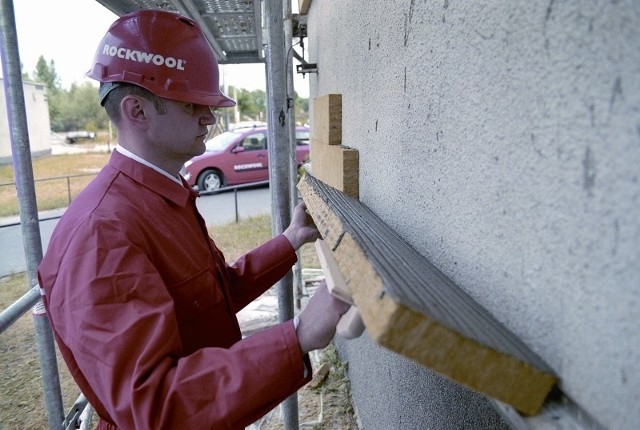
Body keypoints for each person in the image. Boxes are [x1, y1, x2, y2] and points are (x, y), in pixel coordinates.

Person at [37, 9, 350, 430]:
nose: (210, 117)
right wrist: (295, 337)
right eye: (193, 104)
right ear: (138, 111)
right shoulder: (101, 236)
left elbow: (212, 296)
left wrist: (291, 239)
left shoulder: (158, 195)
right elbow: (154, 408)